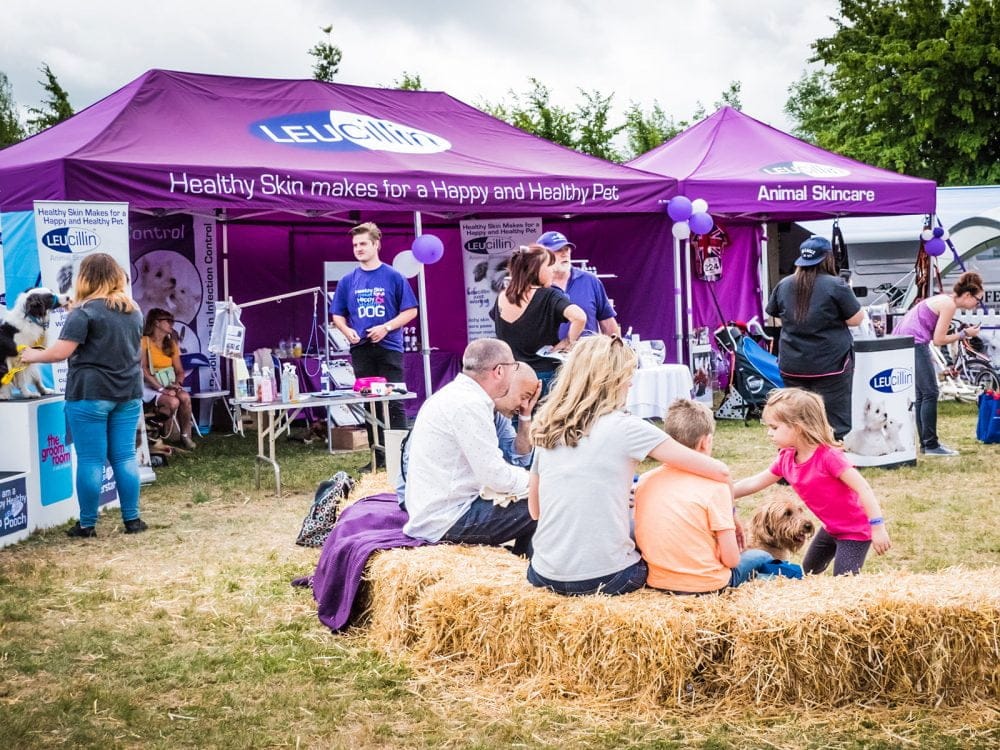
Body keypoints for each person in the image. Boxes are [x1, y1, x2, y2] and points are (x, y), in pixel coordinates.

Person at [526, 335, 731, 596]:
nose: (632, 382)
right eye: (628, 374)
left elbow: (535, 510)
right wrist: (730, 515)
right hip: (607, 579)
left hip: (543, 573)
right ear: (613, 380)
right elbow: (719, 470)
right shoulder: (627, 427)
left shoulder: (548, 428)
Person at [21, 253, 146, 537]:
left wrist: (31, 355)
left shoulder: (83, 312)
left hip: (90, 394)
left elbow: (61, 353)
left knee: (91, 460)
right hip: (127, 393)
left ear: (84, 278)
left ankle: (87, 524)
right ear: (116, 277)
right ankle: (133, 520)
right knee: (125, 457)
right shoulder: (133, 310)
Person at [733, 388, 891, 576]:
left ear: (797, 427)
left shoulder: (829, 457)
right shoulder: (786, 458)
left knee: (845, 583)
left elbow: (863, 488)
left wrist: (878, 527)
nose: (769, 433)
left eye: (774, 427)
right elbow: (754, 482)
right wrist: (723, 491)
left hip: (854, 532)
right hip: (830, 528)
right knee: (807, 574)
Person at [402, 339, 537, 555]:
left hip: (436, 514)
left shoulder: (456, 395)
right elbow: (497, 477)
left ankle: (522, 564)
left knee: (536, 497)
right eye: (514, 368)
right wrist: (539, 481)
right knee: (547, 502)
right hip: (447, 521)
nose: (514, 376)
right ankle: (532, 570)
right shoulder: (470, 405)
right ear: (499, 371)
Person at [635, 399, 772, 594]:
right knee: (761, 556)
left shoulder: (645, 480)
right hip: (708, 586)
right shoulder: (716, 487)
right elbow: (732, 560)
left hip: (657, 581)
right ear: (705, 442)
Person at [330, 222, 419, 471]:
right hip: (361, 349)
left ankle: (401, 459)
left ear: (376, 244)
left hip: (389, 346)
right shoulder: (349, 280)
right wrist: (347, 331)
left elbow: (410, 310)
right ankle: (377, 458)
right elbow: (337, 314)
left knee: (394, 401)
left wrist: (387, 327)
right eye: (355, 245)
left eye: (363, 244)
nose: (358, 248)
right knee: (370, 404)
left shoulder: (393, 276)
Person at [766, 236, 864, 440]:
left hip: (793, 363)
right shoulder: (836, 285)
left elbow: (772, 316)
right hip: (830, 365)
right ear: (828, 258)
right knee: (833, 420)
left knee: (795, 417)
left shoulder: (784, 284)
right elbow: (856, 319)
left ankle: (795, 464)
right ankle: (831, 463)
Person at [394, 362, 541, 499]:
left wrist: (525, 416)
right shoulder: (466, 406)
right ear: (506, 384)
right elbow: (494, 475)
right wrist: (538, 482)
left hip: (454, 496)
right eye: (524, 396)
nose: (524, 404)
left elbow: (518, 460)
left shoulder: (496, 415)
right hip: (425, 499)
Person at [893, 271, 984, 456]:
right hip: (915, 343)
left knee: (922, 395)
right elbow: (939, 340)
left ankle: (926, 445)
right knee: (930, 393)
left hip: (905, 342)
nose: (977, 304)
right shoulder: (949, 305)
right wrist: (965, 334)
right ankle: (931, 445)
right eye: (978, 299)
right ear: (967, 295)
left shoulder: (944, 300)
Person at [491, 243, 586, 395]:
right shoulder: (549, 295)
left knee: (517, 418)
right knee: (546, 419)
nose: (554, 270)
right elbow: (579, 317)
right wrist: (569, 341)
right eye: (549, 265)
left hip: (512, 379)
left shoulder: (503, 296)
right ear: (535, 268)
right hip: (545, 377)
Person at [536, 230, 620, 337]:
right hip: (548, 352)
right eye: (557, 250)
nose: (564, 254)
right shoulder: (535, 284)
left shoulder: (590, 281)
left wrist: (616, 350)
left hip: (588, 352)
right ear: (542, 256)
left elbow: (607, 323)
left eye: (567, 249)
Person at [139, 308, 195, 450]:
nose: (172, 324)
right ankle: (153, 433)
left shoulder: (171, 344)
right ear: (157, 323)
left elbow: (180, 371)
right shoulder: (144, 341)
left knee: (185, 398)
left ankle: (185, 436)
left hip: (168, 383)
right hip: (149, 385)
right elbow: (143, 370)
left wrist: (177, 384)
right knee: (173, 402)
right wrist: (162, 389)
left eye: (173, 321)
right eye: (168, 321)